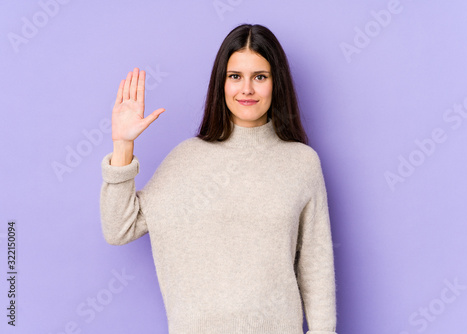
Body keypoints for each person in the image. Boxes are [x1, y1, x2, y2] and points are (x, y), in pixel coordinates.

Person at [100, 23, 338, 334]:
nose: (247, 89)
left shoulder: (301, 162)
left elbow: (315, 266)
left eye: (260, 77)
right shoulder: (186, 159)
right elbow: (119, 228)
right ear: (221, 83)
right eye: (235, 76)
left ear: (276, 83)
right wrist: (123, 146)